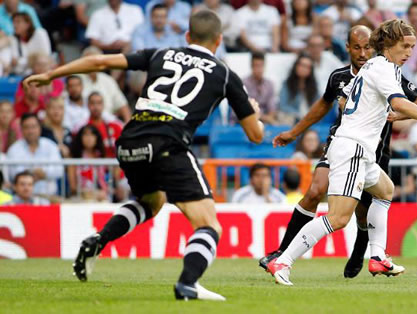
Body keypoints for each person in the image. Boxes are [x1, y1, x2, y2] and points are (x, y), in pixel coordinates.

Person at [24, 9, 264, 301]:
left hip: (129, 141)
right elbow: (256, 135)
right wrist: (255, 113)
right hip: (168, 143)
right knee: (208, 224)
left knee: (152, 200)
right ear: (219, 40)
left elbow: (100, 61)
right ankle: (188, 284)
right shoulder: (224, 73)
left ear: (187, 36)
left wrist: (51, 74)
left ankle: (99, 240)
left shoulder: (161, 54)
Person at [266, 19, 417, 285]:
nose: (410, 53)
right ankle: (283, 261)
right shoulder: (383, 69)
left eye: (413, 47)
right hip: (353, 148)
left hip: (359, 149)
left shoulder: (375, 66)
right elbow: (399, 101)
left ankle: (377, 257)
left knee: (385, 190)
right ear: (389, 44)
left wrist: (390, 114)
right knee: (338, 218)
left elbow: (392, 104)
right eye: (405, 46)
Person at [7, 113, 63, 196]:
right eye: (27, 127)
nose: (31, 131)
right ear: (21, 129)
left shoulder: (50, 145)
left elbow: (59, 170)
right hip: (22, 199)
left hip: (49, 197)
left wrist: (44, 173)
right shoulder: (14, 149)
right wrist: (31, 174)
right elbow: (12, 174)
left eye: (34, 127)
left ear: (40, 128)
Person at [77, 46, 131, 123]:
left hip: (108, 124)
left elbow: (123, 106)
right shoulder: (76, 80)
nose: (93, 65)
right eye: (89, 61)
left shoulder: (108, 80)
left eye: (96, 62)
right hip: (84, 124)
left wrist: (127, 124)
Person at [68, 125, 109, 201]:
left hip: (101, 197)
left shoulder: (101, 157)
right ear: (80, 137)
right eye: (86, 134)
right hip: (80, 197)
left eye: (92, 134)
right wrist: (89, 193)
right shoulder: (74, 158)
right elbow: (73, 187)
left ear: (97, 137)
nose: (89, 138)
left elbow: (106, 182)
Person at [76, 92, 123, 158]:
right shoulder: (81, 127)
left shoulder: (115, 126)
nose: (96, 107)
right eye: (92, 103)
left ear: (103, 105)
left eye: (99, 103)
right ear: (87, 105)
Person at [238, 52, 278, 125]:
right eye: (256, 66)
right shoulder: (243, 84)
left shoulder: (269, 84)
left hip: (265, 123)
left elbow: (272, 109)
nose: (259, 69)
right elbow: (243, 110)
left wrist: (267, 118)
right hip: (247, 122)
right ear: (251, 66)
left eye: (261, 65)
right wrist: (264, 117)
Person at [278, 53, 317, 125]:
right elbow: (283, 105)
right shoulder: (287, 84)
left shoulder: (313, 86)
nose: (304, 69)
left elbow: (318, 104)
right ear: (296, 66)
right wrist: (299, 115)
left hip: (310, 121)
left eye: (307, 67)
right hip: (293, 119)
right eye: (302, 65)